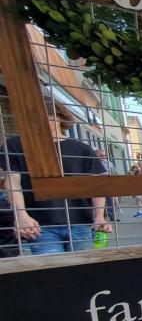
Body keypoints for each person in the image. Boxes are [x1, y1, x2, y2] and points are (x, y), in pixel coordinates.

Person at [0, 103, 112, 254]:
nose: (45, 122)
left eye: (50, 116)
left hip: (80, 221)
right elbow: (12, 182)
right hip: (40, 224)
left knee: (83, 271)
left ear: (61, 117)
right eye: (37, 117)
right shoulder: (15, 145)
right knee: (53, 272)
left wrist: (99, 216)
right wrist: (21, 215)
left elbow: (95, 184)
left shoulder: (81, 149)